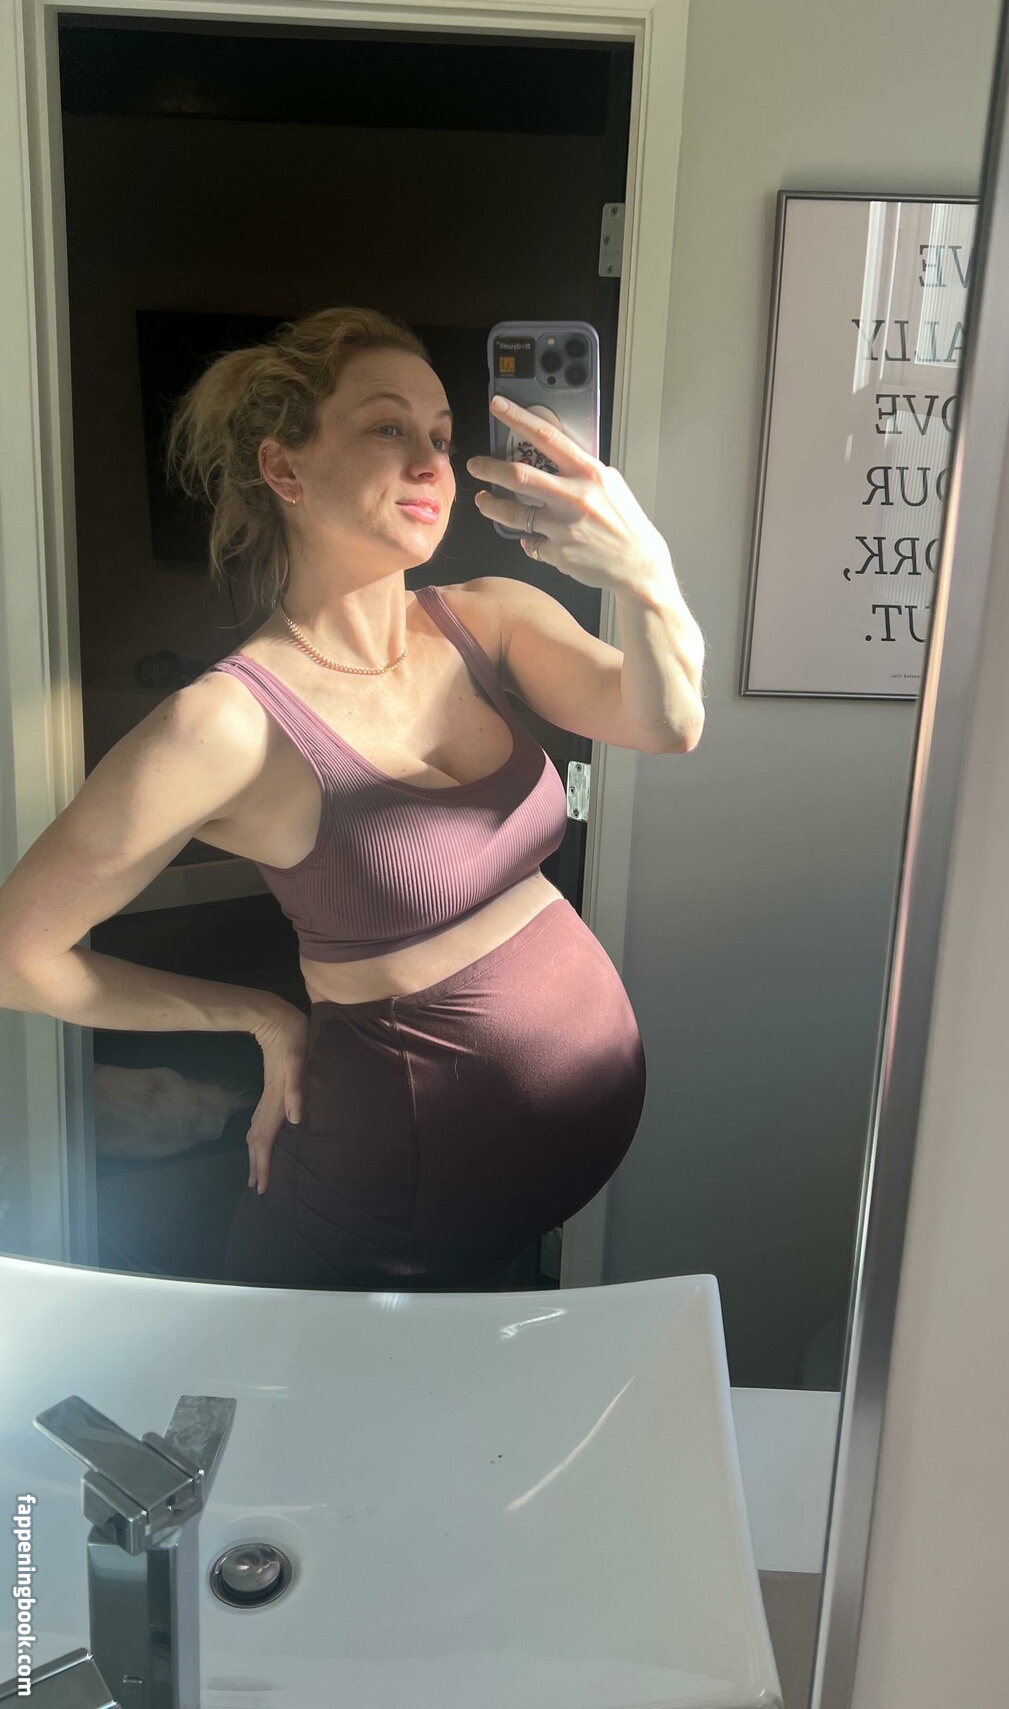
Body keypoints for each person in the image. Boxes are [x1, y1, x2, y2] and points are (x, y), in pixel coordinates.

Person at [0, 307, 706, 1290]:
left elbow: (667, 721)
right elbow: (18, 954)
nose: (430, 463)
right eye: (388, 427)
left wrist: (647, 575)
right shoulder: (226, 725)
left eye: (442, 438)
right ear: (285, 469)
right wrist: (261, 1017)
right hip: (376, 1221)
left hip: (503, 1212)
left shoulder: (490, 619)